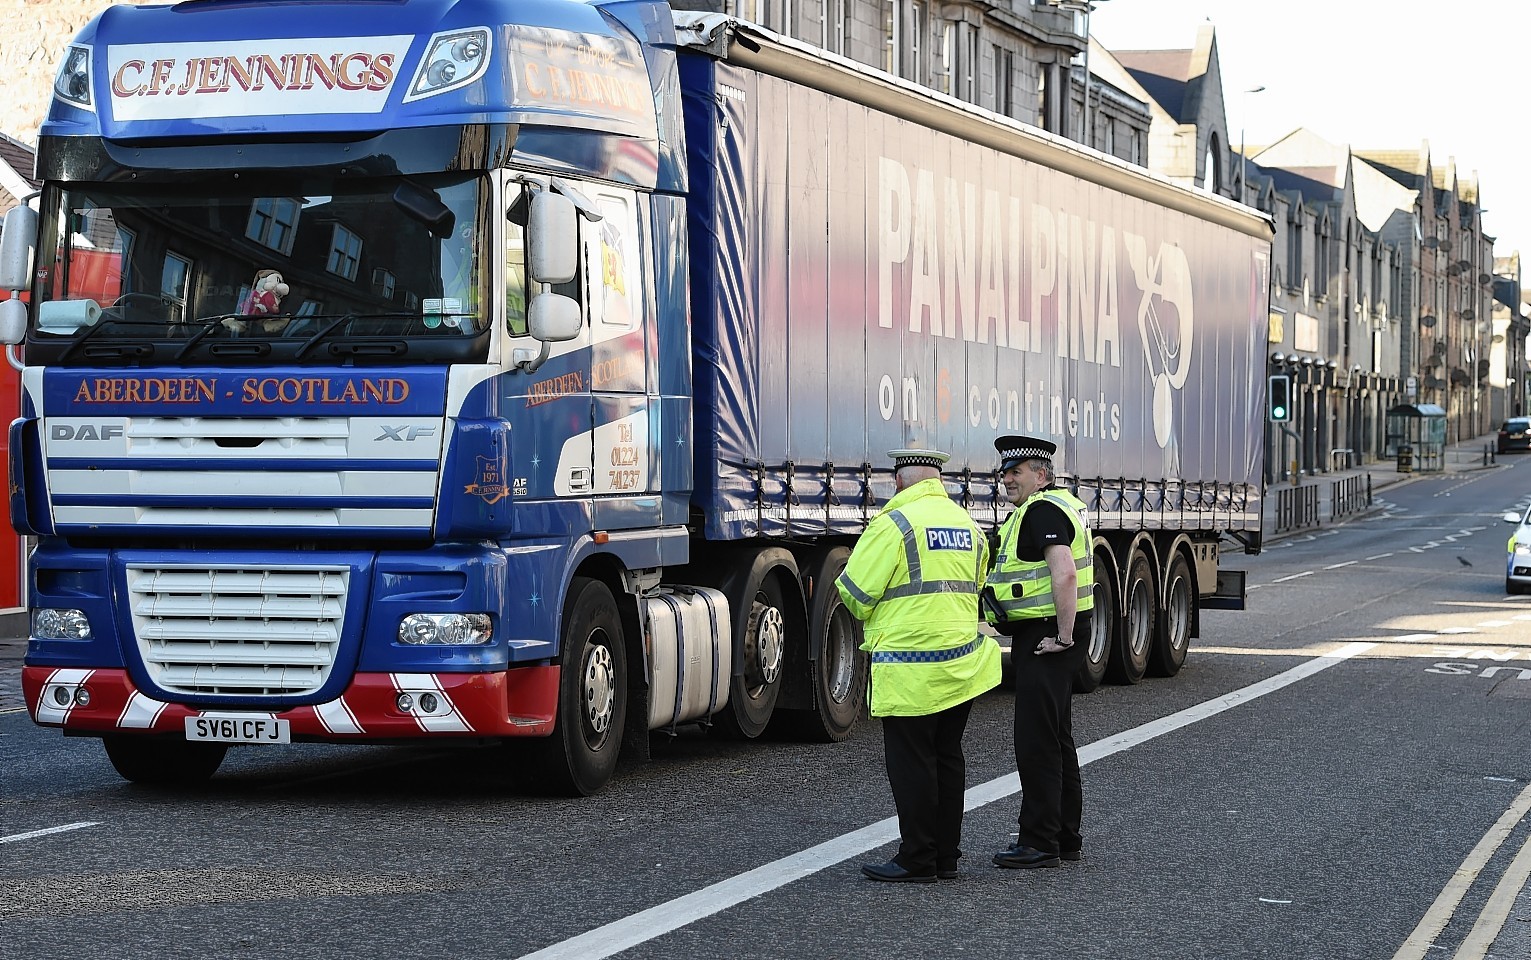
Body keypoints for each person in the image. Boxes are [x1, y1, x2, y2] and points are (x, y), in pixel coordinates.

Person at [837, 448, 1002, 883]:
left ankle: (917, 857)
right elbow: (977, 586)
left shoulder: (893, 525)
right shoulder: (969, 526)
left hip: (910, 668)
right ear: (938, 480)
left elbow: (855, 594)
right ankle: (945, 856)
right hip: (961, 665)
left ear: (899, 481)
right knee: (948, 756)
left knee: (911, 763)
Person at [983, 435, 1095, 869]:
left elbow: (1064, 574)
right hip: (1052, 632)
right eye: (1005, 472)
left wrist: (1063, 638)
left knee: (1036, 742)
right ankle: (1064, 836)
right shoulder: (1056, 505)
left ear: (1041, 475)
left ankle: (1039, 841)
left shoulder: (1042, 510)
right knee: (1056, 737)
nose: (1007, 478)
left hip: (1047, 636)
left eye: (1017, 471)